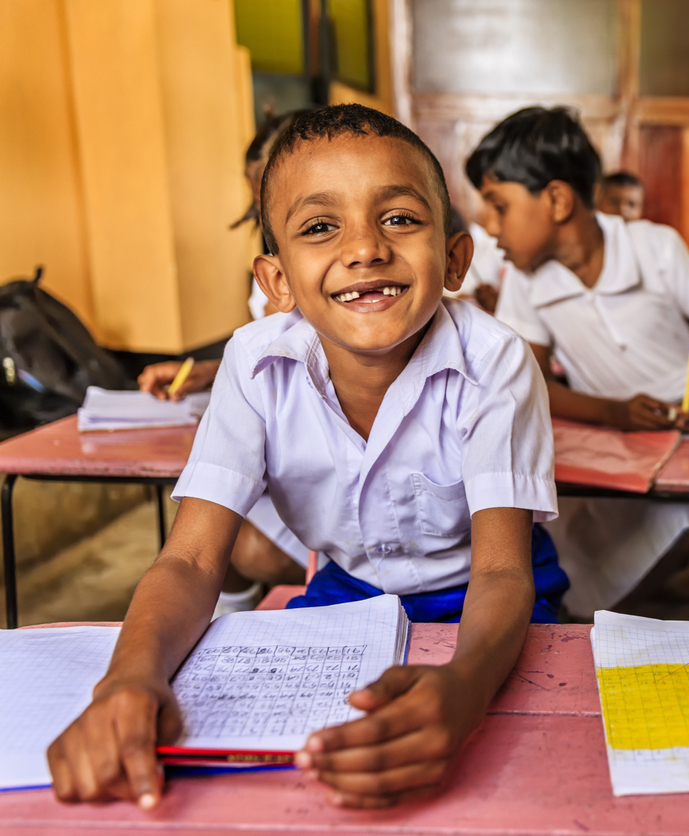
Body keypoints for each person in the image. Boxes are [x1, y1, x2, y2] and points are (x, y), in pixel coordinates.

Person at [48, 104, 566, 808]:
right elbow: (193, 559)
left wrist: (467, 689)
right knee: (289, 786)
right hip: (349, 593)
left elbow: (502, 571)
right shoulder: (255, 363)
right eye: (321, 227)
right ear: (276, 281)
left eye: (400, 218)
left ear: (454, 259)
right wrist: (129, 678)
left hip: (489, 597)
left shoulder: (496, 363)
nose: (365, 249)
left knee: (524, 769)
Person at [467, 106, 689, 617]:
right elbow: (531, 383)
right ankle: (608, 625)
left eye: (498, 206)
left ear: (555, 200)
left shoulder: (654, 248)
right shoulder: (526, 283)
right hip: (620, 442)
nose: (490, 226)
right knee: (575, 551)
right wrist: (614, 413)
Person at [139, 110, 311, 616]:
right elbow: (275, 349)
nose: (265, 210)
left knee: (236, 543)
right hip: (281, 456)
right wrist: (206, 370)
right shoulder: (265, 271)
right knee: (208, 530)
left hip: (322, 473)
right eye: (259, 197)